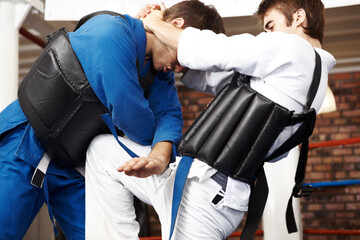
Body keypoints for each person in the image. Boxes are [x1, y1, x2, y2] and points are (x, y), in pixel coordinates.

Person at [86, 0, 336, 239]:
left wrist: (154, 22)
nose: (268, 36)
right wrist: (168, 47)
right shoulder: (309, 82)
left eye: (271, 26)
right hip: (195, 183)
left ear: (299, 18)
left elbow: (212, 49)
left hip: (206, 197)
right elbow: (209, 74)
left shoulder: (294, 49)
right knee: (101, 151)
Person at [0, 2, 216, 238]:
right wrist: (153, 141)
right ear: (176, 26)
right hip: (25, 142)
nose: (181, 67)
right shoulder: (111, 31)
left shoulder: (159, 74)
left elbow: (170, 115)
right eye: (186, 54)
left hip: (72, 162)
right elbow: (129, 112)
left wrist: (159, 155)